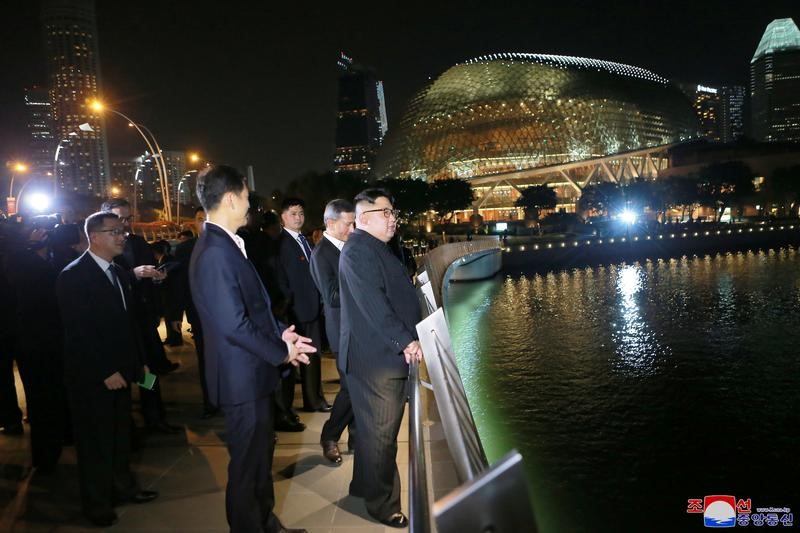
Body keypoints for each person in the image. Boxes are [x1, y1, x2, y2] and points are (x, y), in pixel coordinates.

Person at [189, 165, 314, 533]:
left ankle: (266, 524)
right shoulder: (214, 251)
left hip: (252, 373)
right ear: (230, 199)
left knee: (260, 461)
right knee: (247, 468)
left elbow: (256, 306)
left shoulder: (229, 242)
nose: (250, 206)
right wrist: (281, 351)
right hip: (240, 377)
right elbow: (233, 324)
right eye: (246, 197)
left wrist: (282, 334)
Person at [56, 212, 158, 527]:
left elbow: (129, 325)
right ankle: (97, 504)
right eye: (114, 231)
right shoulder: (73, 276)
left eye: (122, 230)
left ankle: (123, 487)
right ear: (94, 236)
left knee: (120, 435)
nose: (122, 236)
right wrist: (106, 370)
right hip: (93, 378)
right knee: (95, 441)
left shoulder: (119, 273)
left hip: (123, 371)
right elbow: (79, 332)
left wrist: (138, 361)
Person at [339, 188, 424, 528]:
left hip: (377, 355)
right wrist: (405, 341)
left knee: (374, 432)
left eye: (393, 212)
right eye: (385, 213)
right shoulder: (360, 250)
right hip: (376, 359)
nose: (393, 218)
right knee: (381, 437)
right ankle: (382, 505)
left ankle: (364, 487)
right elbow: (374, 304)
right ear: (363, 218)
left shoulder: (373, 247)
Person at [101, 199, 179, 435]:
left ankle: (153, 416)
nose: (125, 224)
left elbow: (150, 276)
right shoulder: (100, 249)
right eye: (119, 219)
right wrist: (132, 275)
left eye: (128, 218)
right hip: (117, 324)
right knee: (122, 374)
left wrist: (156, 277)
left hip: (142, 319)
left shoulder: (138, 243)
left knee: (148, 371)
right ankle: (126, 425)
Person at [309, 199, 356, 466]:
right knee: (350, 388)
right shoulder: (321, 254)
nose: (352, 228)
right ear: (330, 223)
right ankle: (330, 436)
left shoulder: (347, 247)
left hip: (356, 330)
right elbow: (332, 296)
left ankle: (356, 438)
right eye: (348, 223)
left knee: (358, 386)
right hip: (340, 332)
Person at [275, 198, 330, 413]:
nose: (298, 218)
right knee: (304, 357)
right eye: (293, 214)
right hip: (296, 311)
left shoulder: (304, 240)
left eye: (301, 213)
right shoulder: (282, 243)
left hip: (311, 308)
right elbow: (282, 279)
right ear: (283, 217)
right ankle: (311, 400)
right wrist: (287, 307)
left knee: (314, 356)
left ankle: (314, 399)